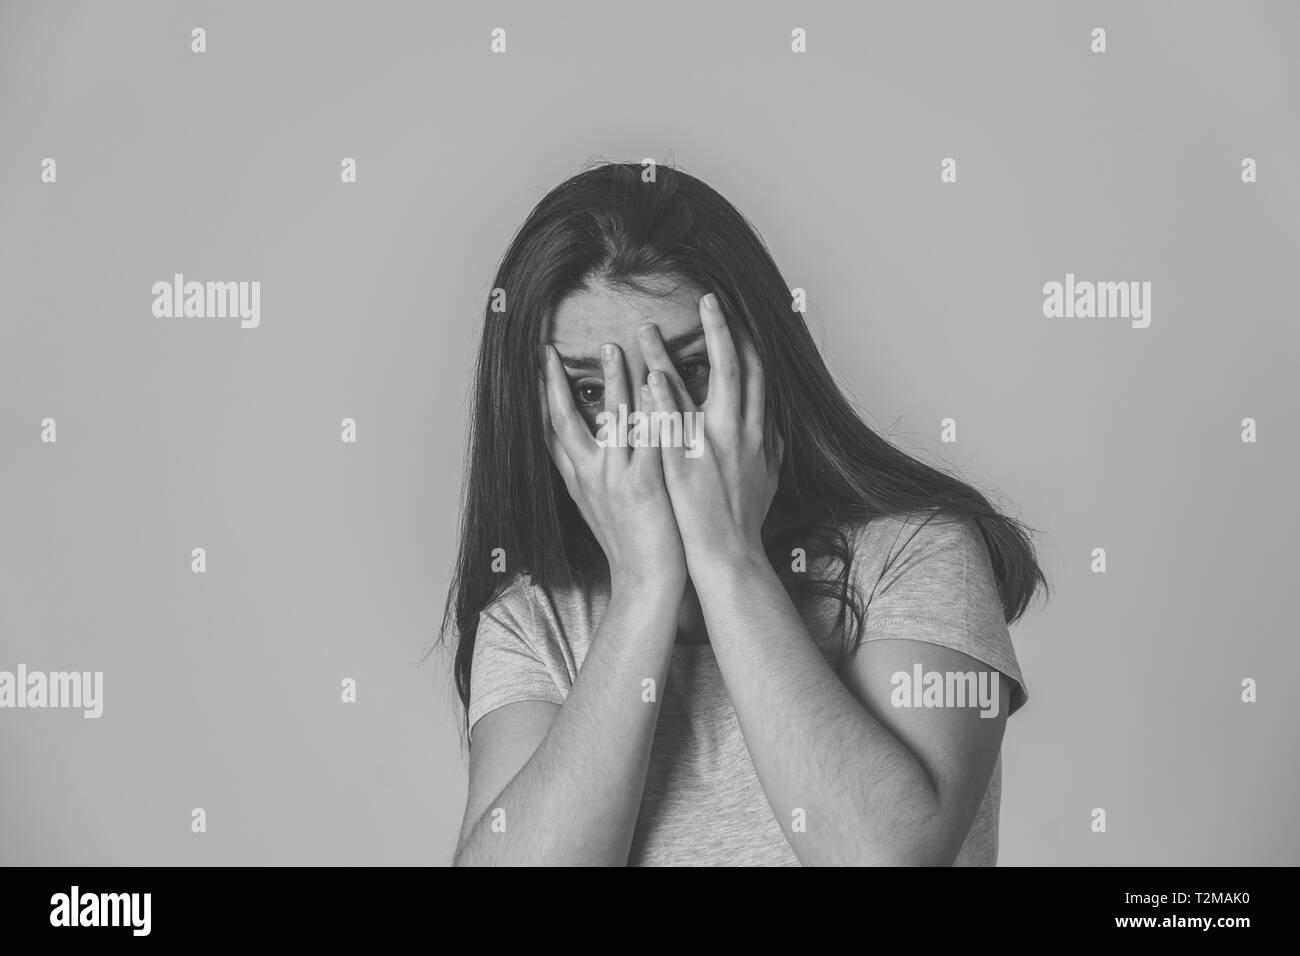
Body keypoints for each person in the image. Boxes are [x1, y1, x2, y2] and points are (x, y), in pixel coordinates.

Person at [441, 160, 1048, 866]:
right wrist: (643, 587)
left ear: (761, 363)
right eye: (590, 391)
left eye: (689, 372)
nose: (649, 423)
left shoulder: (919, 554)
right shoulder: (532, 620)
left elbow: (886, 856)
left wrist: (728, 558)